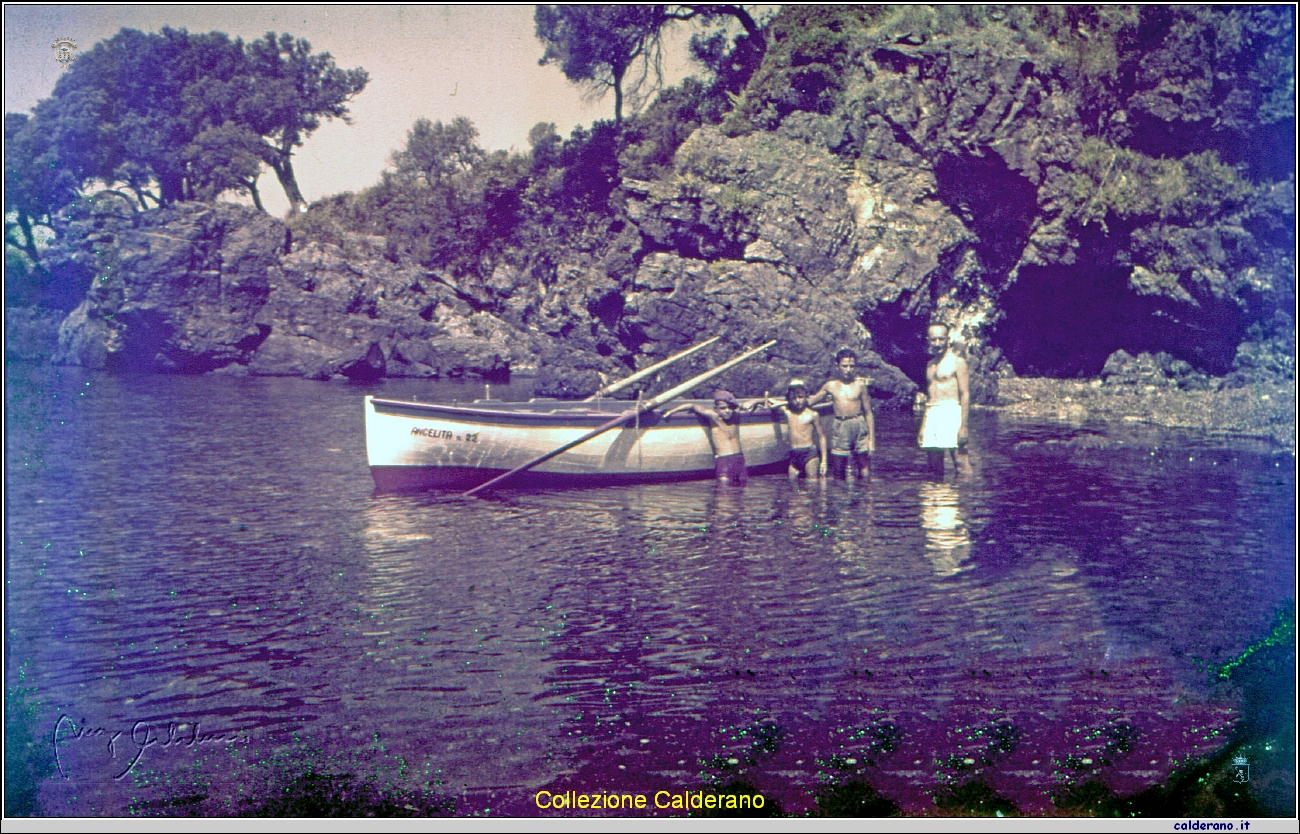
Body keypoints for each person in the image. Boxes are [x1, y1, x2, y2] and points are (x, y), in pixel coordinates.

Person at [662, 389, 752, 486]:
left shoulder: (736, 415)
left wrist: (756, 403)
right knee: (724, 492)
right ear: (716, 409)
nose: (727, 411)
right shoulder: (713, 417)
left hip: (739, 459)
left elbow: (749, 403)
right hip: (724, 460)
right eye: (723, 408)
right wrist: (671, 411)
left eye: (730, 408)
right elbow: (692, 406)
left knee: (742, 488)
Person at [809, 347, 875, 478]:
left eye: (852, 366)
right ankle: (840, 496)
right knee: (839, 468)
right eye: (844, 366)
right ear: (837, 366)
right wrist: (786, 402)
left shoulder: (860, 385)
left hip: (859, 424)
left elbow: (868, 413)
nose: (848, 370)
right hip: (841, 425)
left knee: (864, 467)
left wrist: (871, 439)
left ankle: (865, 495)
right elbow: (810, 401)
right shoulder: (830, 385)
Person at [918, 323, 971, 477]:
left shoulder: (957, 362)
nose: (937, 343)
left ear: (948, 339)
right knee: (934, 466)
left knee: (961, 463)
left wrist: (964, 426)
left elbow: (965, 394)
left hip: (951, 411)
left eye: (941, 339)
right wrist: (923, 426)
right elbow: (930, 396)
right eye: (933, 340)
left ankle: (968, 497)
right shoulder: (930, 365)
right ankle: (939, 498)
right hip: (933, 413)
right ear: (928, 340)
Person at [762, 380, 828, 479]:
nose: (798, 401)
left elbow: (822, 437)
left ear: (806, 396)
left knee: (812, 484)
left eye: (801, 397)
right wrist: (755, 401)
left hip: (809, 453)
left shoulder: (813, 414)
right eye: (794, 398)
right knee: (793, 485)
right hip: (794, 454)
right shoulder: (788, 412)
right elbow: (772, 403)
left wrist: (824, 461)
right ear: (789, 399)